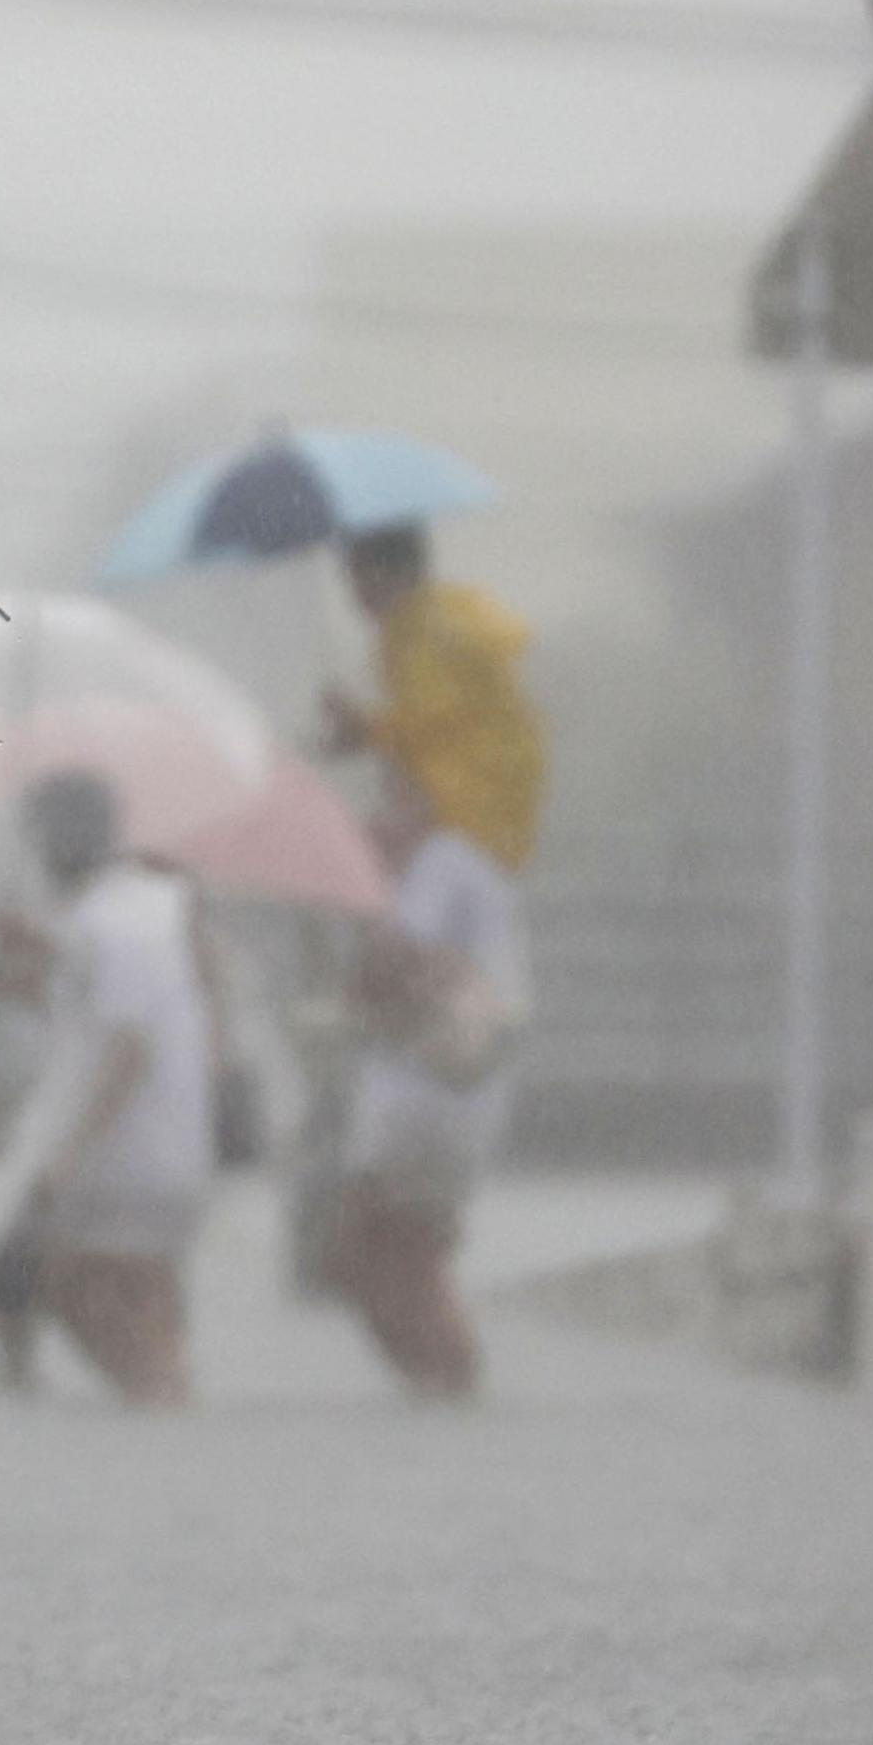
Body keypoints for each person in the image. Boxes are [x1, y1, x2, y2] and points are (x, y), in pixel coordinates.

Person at [0, 772, 212, 1409]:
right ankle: (166, 1413)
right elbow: (83, 1017)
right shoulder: (136, 909)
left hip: (121, 1162)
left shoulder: (115, 920)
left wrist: (68, 1156)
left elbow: (129, 1045)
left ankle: (154, 1400)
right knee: (146, 1319)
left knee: (39, 1270)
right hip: (162, 1156)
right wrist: (21, 962)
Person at [316, 771, 525, 1400]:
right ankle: (438, 1385)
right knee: (388, 1254)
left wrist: (358, 899)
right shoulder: (448, 871)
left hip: (433, 1099)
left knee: (380, 1253)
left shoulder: (439, 865)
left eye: (386, 804)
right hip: (435, 1097)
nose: (370, 822)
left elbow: (408, 963)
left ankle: (447, 1382)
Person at [321, 522, 545, 872]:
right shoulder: (434, 618)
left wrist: (364, 730)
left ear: (392, 573)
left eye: (359, 577)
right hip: (490, 814)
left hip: (465, 814)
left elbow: (431, 720)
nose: (355, 593)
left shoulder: (423, 631)